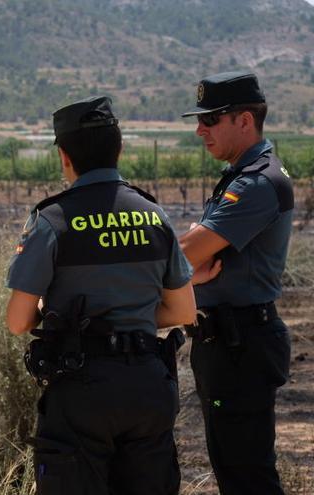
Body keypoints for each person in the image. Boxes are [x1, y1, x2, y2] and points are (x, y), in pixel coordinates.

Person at [5, 96, 196, 495]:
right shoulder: (152, 214)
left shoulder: (52, 220)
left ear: (64, 156)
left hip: (82, 387)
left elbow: (18, 321)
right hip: (148, 383)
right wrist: (134, 314)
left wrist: (56, 311)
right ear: (119, 150)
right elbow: (182, 309)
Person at [179, 71, 293, 495]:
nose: (200, 129)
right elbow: (193, 256)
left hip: (240, 343)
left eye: (212, 119)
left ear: (244, 121)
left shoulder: (257, 182)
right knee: (234, 470)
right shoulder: (241, 175)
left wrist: (187, 259)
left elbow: (187, 252)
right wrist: (191, 262)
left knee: (247, 476)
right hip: (226, 342)